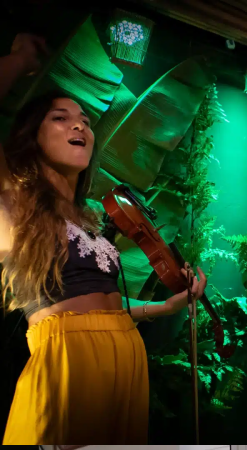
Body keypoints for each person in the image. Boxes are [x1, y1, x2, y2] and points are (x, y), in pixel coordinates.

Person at [1, 34, 205, 444]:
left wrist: (163, 307)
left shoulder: (91, 215)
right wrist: (18, 58)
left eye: (85, 120)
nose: (80, 124)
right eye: (60, 118)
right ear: (31, 136)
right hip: (67, 364)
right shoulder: (12, 204)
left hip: (126, 359)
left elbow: (104, 310)